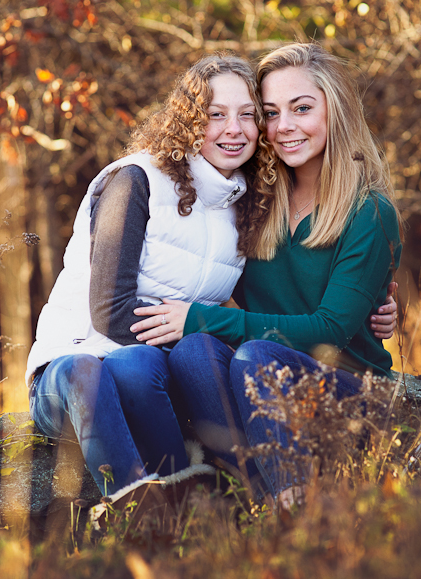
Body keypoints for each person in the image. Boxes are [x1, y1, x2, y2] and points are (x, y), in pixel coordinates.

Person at [130, 43, 402, 505]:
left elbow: (331, 330)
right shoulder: (255, 202)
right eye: (271, 113)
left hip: (350, 391)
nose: (284, 126)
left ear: (335, 110)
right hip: (264, 391)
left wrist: (199, 317)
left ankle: (294, 510)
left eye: (302, 108)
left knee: (256, 356)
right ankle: (260, 504)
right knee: (194, 353)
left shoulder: (368, 212)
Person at [24, 55, 269, 506]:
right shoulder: (137, 180)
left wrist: (367, 310)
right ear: (189, 121)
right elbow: (109, 311)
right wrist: (189, 326)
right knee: (94, 369)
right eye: (216, 115)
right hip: (72, 373)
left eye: (247, 115)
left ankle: (214, 509)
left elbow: (266, 305)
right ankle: (137, 512)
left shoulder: (245, 202)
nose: (234, 129)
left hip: (147, 374)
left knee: (141, 365)